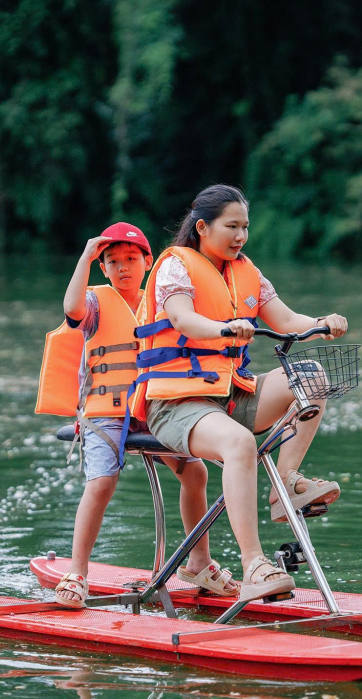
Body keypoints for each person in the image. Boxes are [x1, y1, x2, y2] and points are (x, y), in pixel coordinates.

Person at [131, 185, 348, 602]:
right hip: (176, 402)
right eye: (231, 226)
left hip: (231, 394)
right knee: (239, 441)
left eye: (245, 227)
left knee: (313, 377)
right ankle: (255, 565)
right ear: (202, 227)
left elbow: (285, 319)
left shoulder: (246, 270)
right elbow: (183, 318)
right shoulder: (175, 266)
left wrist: (322, 321)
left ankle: (285, 485)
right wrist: (225, 329)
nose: (240, 236)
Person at [40, 222, 238, 608]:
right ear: (103, 268)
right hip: (106, 414)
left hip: (154, 408)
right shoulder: (95, 303)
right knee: (102, 482)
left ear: (148, 261)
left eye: (131, 259)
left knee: (195, 472)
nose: (123, 267)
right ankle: (77, 573)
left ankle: (198, 563)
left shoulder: (163, 299)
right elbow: (71, 309)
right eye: (113, 262)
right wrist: (86, 253)